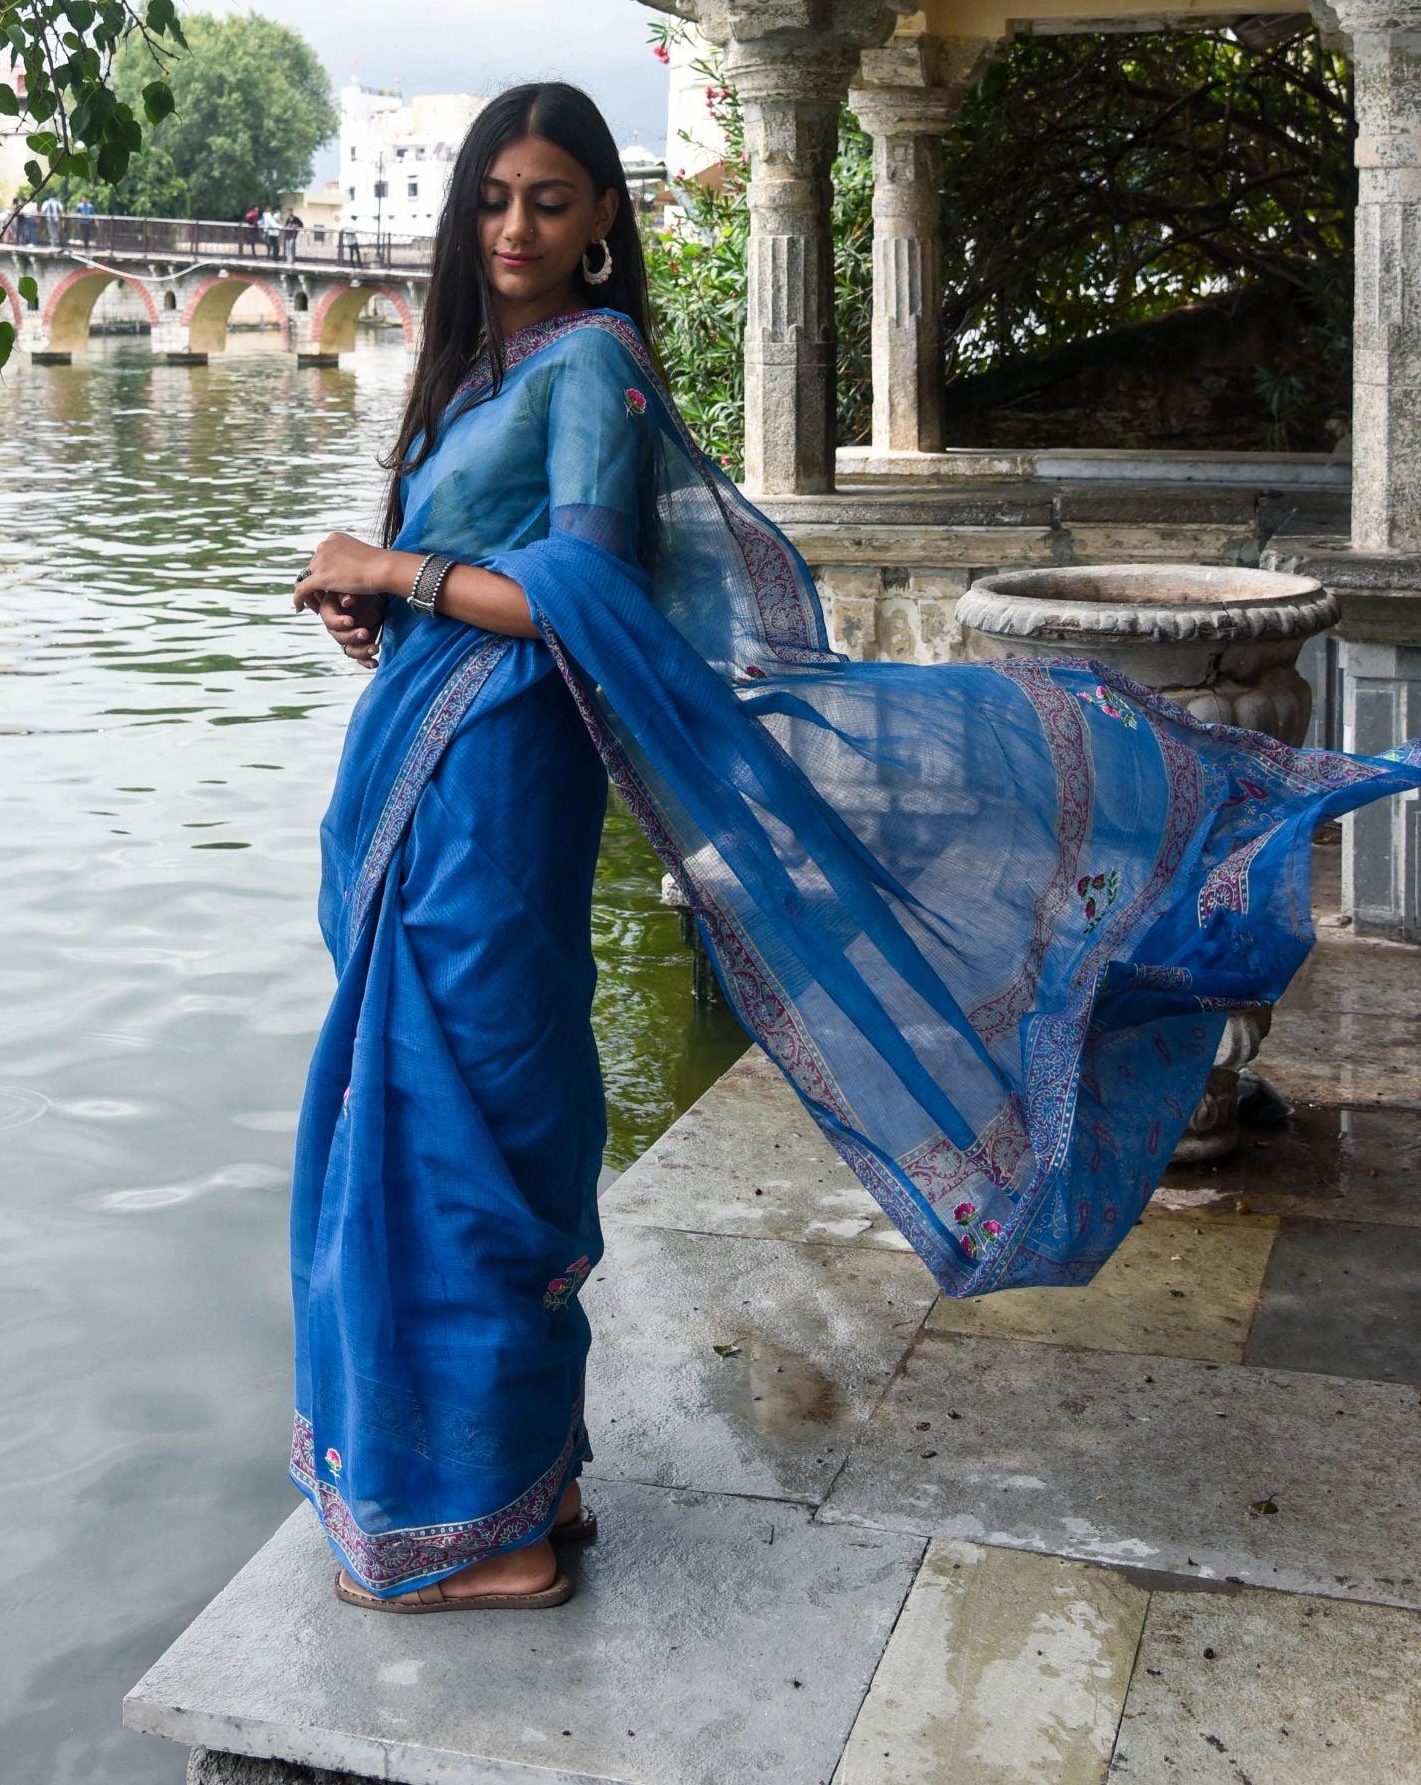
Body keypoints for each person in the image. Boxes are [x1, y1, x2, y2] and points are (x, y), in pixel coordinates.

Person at [291, 81, 1419, 1616]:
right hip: (441, 770)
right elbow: (482, 585)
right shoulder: (485, 366)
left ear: (605, 217)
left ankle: (486, 1532)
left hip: (498, 795)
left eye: (548, 198)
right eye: (492, 197)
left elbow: (585, 590)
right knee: (434, 1110)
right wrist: (386, 602)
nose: (513, 227)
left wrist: (395, 566)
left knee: (465, 1124)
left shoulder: (593, 364)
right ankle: (514, 1484)